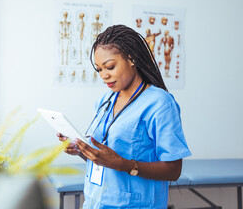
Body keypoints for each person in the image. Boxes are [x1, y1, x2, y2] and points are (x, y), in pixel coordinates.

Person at [57, 25, 191, 208]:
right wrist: (81, 150)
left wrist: (125, 165)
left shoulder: (160, 104)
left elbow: (174, 170)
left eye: (110, 67)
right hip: (95, 202)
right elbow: (104, 159)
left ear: (132, 58)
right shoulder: (105, 100)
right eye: (99, 70)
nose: (104, 75)